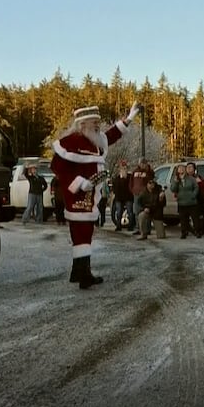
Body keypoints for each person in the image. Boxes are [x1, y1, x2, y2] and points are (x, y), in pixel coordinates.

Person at [50, 102, 140, 289]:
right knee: (81, 233)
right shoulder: (71, 142)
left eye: (98, 122)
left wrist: (129, 119)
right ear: (82, 124)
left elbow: (111, 136)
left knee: (85, 234)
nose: (98, 126)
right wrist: (80, 183)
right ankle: (83, 275)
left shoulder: (95, 140)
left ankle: (81, 272)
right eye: (94, 122)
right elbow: (58, 168)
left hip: (91, 197)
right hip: (77, 196)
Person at [170, 165, 200, 239]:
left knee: (195, 218)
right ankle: (184, 232)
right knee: (183, 219)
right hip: (181, 202)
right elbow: (173, 189)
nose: (181, 170)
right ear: (177, 171)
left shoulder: (191, 178)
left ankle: (197, 231)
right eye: (179, 169)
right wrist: (176, 182)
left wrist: (193, 195)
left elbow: (196, 187)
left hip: (191, 202)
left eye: (183, 168)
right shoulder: (176, 179)